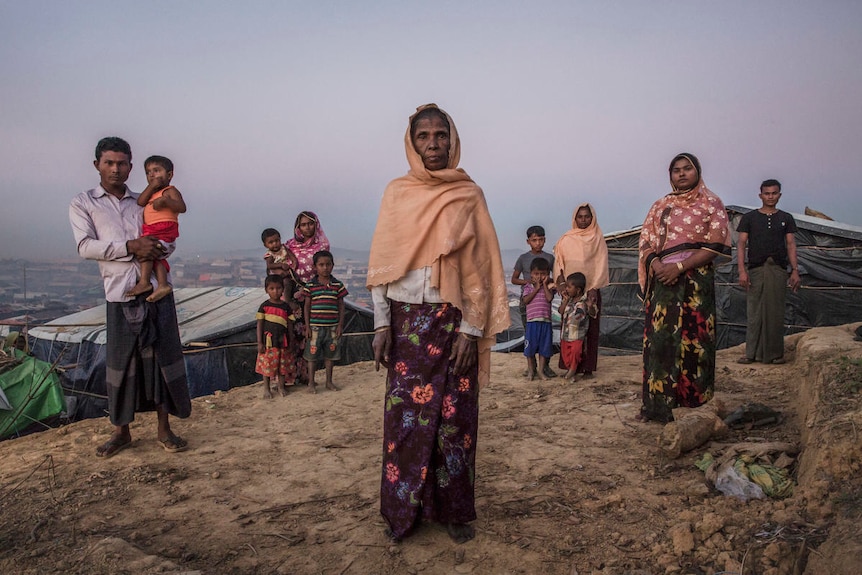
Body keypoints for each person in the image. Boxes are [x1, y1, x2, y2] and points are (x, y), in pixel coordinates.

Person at [367, 104, 509, 544]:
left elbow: (480, 266)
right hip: (406, 320)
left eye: (440, 135)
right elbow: (382, 264)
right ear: (412, 142)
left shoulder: (468, 194)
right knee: (405, 421)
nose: (432, 144)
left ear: (452, 139)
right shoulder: (397, 193)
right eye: (424, 136)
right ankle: (403, 513)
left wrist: (472, 329)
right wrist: (381, 324)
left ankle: (454, 512)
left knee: (454, 421)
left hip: (454, 322)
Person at [69, 137, 191, 457]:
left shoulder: (146, 200)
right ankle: (121, 432)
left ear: (130, 167)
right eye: (109, 162)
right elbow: (85, 247)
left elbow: (168, 232)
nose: (115, 168)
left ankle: (165, 429)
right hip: (119, 293)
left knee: (162, 361)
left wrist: (157, 248)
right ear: (97, 165)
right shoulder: (84, 203)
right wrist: (129, 248)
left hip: (154, 290)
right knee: (121, 365)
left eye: (122, 163)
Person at [637, 153, 731, 422]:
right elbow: (646, 241)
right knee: (661, 342)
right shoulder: (660, 206)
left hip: (695, 282)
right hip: (663, 283)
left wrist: (679, 267)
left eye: (687, 168)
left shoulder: (711, 203)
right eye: (676, 170)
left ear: (697, 171)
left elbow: (715, 244)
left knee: (695, 340)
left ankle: (694, 405)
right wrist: (658, 266)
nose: (681, 174)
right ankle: (658, 406)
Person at [736, 179, 800, 365]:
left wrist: (795, 270)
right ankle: (751, 353)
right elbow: (741, 244)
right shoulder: (749, 218)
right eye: (767, 193)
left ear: (779, 195)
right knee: (754, 310)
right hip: (755, 269)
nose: (770, 197)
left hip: (778, 269)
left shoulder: (786, 218)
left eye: (774, 193)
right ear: (760, 195)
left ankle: (774, 354)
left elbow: (790, 244)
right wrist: (742, 270)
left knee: (776, 311)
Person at [553, 203, 609, 377]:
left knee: (590, 330)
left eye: (587, 216)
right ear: (574, 219)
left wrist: (594, 288)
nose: (583, 220)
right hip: (571, 291)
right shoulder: (566, 239)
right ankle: (570, 366)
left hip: (591, 290)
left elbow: (600, 264)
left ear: (592, 218)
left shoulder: (597, 238)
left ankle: (588, 368)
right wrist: (562, 285)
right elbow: (559, 263)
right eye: (580, 216)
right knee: (569, 330)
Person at [126, 156, 187, 303]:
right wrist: (151, 187)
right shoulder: (152, 193)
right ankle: (162, 285)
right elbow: (140, 202)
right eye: (148, 172)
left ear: (169, 175)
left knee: (147, 252)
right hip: (151, 229)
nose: (152, 175)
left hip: (164, 229)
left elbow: (182, 207)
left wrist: (166, 201)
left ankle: (144, 282)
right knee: (153, 255)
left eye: (156, 171)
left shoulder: (169, 191)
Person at [511, 225, 556, 378]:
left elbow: (554, 278)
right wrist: (529, 283)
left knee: (545, 336)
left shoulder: (550, 258)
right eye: (534, 240)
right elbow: (514, 279)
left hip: (543, 303)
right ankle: (531, 367)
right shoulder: (523, 258)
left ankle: (546, 367)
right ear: (528, 241)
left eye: (540, 240)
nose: (538, 243)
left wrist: (546, 282)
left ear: (545, 240)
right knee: (529, 334)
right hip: (527, 302)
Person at [302, 250, 347, 394]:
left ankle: (329, 382)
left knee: (330, 356)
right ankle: (311, 383)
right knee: (312, 356)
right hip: (315, 328)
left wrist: (340, 325)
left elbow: (341, 306)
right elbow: (307, 307)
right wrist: (307, 327)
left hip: (332, 328)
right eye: (321, 265)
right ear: (315, 267)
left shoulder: (337, 285)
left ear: (333, 266)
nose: (325, 267)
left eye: (328, 264)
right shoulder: (310, 286)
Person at [256, 274, 296, 398]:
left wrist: (291, 340)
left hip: (283, 342)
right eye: (272, 288)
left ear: (283, 289)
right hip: (268, 343)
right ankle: (266, 389)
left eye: (278, 288)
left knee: (281, 366)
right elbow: (260, 325)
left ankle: (281, 387)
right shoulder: (264, 306)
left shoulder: (286, 307)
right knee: (267, 366)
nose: (275, 291)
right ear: (266, 290)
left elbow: (290, 325)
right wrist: (260, 342)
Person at [559, 272, 597, 381]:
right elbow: (561, 311)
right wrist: (565, 301)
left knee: (575, 353)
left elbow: (592, 314)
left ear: (578, 290)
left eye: (569, 287)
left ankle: (572, 371)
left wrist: (590, 307)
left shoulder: (584, 302)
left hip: (577, 335)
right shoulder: (568, 300)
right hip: (565, 334)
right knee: (566, 354)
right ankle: (572, 372)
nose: (566, 289)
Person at [522, 258, 555, 380]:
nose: (540, 277)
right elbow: (526, 300)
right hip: (532, 323)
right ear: (531, 274)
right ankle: (531, 371)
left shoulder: (550, 287)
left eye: (543, 274)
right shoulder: (528, 286)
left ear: (548, 275)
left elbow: (549, 298)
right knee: (530, 349)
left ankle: (541, 371)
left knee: (544, 349)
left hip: (545, 322)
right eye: (536, 274)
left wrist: (545, 285)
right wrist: (536, 288)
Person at [261, 227, 300, 305]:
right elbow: (270, 265)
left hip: (288, 270)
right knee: (286, 283)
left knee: (297, 279)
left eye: (277, 241)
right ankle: (287, 300)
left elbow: (292, 256)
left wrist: (294, 263)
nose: (275, 244)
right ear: (265, 245)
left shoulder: (283, 248)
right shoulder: (270, 254)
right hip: (277, 274)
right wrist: (281, 265)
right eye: (271, 242)